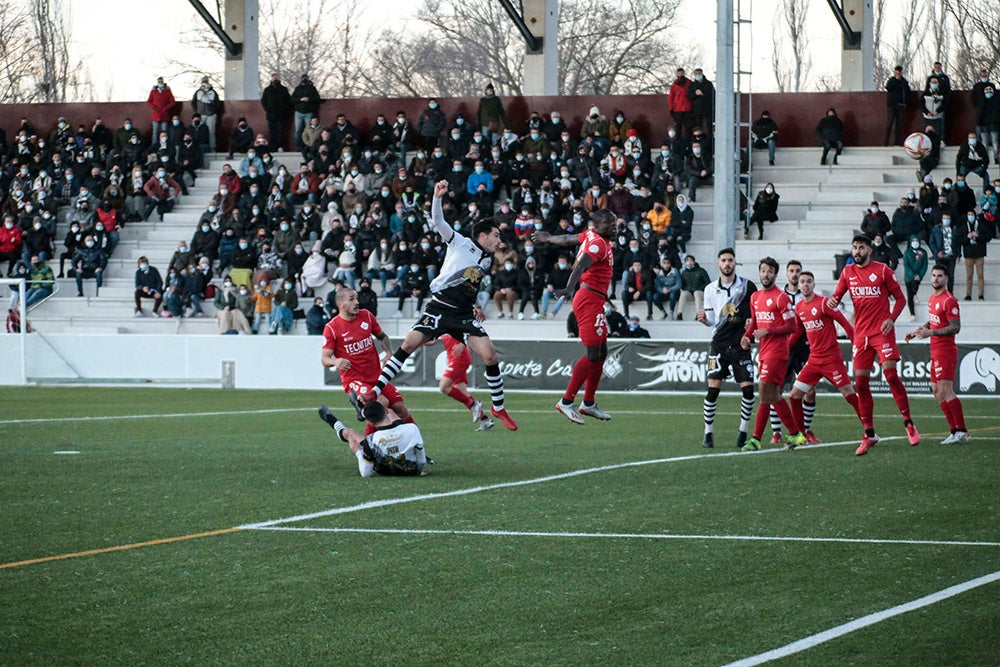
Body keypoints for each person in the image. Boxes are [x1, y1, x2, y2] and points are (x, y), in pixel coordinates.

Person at [360, 181, 518, 431]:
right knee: (408, 345)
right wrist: (436, 197)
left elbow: (470, 283)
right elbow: (438, 222)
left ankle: (497, 407)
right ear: (483, 235)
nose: (499, 240)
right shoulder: (460, 242)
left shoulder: (486, 261)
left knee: (489, 355)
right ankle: (374, 391)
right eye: (496, 235)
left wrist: (476, 304)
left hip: (463, 314)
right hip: (439, 307)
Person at [828, 235, 920, 450]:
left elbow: (900, 298)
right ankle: (869, 433)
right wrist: (833, 300)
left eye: (861, 247)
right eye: (854, 247)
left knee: (890, 375)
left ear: (870, 250)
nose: (857, 251)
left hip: (881, 331)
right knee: (860, 384)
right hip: (861, 334)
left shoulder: (882, 271)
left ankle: (908, 422)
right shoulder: (847, 272)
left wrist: (891, 318)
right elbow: (837, 297)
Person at [533, 209, 616, 425]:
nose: (614, 226)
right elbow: (580, 265)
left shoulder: (590, 235)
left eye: (614, 222)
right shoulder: (598, 244)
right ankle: (566, 401)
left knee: (601, 351)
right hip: (588, 298)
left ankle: (588, 403)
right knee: (592, 353)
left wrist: (549, 237)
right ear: (597, 225)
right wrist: (569, 288)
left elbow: (569, 238)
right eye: (609, 223)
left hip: (595, 299)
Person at [788, 271, 872, 452]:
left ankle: (869, 431)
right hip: (813, 360)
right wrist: (784, 348)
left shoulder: (824, 303)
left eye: (809, 281)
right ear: (799, 285)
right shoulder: (799, 307)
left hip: (831, 359)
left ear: (814, 284)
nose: (805, 285)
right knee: (794, 395)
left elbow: (845, 323)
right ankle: (801, 436)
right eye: (802, 282)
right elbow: (797, 332)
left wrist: (856, 346)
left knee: (849, 394)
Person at [738, 257, 807, 451]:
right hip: (764, 351)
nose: (765, 274)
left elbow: (791, 326)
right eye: (763, 271)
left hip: (777, 352)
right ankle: (795, 434)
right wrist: (746, 336)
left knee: (764, 392)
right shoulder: (755, 297)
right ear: (759, 272)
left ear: (775, 274)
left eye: (769, 271)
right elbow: (755, 324)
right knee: (771, 394)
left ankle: (756, 439)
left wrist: (768, 331)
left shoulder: (780, 297)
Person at [322, 287, 414, 432]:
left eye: (357, 298)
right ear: (341, 304)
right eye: (351, 299)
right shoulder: (332, 328)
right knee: (381, 404)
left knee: (400, 409)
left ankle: (416, 446)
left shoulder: (367, 316)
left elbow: (383, 337)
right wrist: (336, 361)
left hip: (377, 376)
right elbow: (325, 359)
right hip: (354, 380)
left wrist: (388, 351)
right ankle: (370, 448)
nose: (357, 302)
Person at [697, 248, 757, 449]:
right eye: (723, 260)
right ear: (718, 264)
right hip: (719, 344)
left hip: (741, 344)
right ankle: (708, 433)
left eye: (730, 260)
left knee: (748, 390)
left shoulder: (748, 287)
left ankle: (742, 431)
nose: (727, 263)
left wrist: (751, 327)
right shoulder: (710, 289)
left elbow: (756, 315)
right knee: (713, 389)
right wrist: (704, 321)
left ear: (735, 263)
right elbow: (713, 320)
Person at [904, 265, 968, 444]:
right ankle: (954, 430)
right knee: (936, 390)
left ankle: (961, 430)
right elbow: (934, 321)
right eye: (933, 275)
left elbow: (956, 327)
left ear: (946, 279)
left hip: (945, 350)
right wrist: (921, 329)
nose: (935, 279)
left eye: (940, 276)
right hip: (935, 349)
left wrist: (930, 333)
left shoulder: (949, 300)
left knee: (945, 389)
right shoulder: (932, 298)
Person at [318, 402, 428, 477]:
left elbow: (366, 473)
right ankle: (366, 406)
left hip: (384, 469)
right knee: (393, 415)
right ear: (385, 411)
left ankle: (335, 423)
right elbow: (422, 461)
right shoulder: (412, 428)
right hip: (410, 468)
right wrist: (416, 473)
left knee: (351, 433)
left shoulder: (370, 440)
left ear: (369, 422)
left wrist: (358, 451)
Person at [436, 334, 494, 431]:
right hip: (453, 358)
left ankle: (474, 404)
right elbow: (433, 340)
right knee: (462, 394)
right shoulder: (440, 325)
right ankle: (485, 420)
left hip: (459, 358)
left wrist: (462, 344)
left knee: (444, 387)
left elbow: (467, 331)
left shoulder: (452, 320)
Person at [959, 208, 993, 301]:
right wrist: (967, 237)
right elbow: (960, 240)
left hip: (979, 254)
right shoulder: (963, 227)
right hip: (968, 254)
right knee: (969, 275)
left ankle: (981, 294)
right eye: (969, 215)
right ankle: (968, 294)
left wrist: (978, 236)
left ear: (975, 216)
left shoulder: (981, 225)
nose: (970, 216)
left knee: (980, 275)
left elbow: (989, 237)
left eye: (972, 215)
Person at [291, 74, 321, 151]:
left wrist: (309, 99)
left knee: (309, 130)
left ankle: (308, 147)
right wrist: (300, 99)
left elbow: (317, 99)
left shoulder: (312, 89)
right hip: (298, 112)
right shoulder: (297, 89)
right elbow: (292, 99)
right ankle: (298, 147)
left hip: (308, 112)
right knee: (298, 131)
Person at [676, 254, 710, 320]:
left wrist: (699, 288)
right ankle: (679, 314)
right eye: (687, 261)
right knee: (684, 294)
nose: (689, 262)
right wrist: (688, 289)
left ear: (694, 262)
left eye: (691, 260)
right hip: (690, 294)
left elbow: (708, 282)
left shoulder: (701, 271)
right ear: (685, 263)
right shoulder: (684, 272)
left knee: (696, 293)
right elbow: (682, 285)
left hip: (700, 293)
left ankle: (698, 314)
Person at [903, 235, 929, 320]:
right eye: (913, 240)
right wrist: (913, 275)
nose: (915, 242)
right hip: (908, 277)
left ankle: (915, 294)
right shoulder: (907, 252)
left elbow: (925, 265)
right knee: (909, 295)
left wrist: (920, 275)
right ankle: (912, 314)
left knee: (915, 287)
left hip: (918, 276)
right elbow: (906, 265)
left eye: (916, 240)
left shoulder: (923, 252)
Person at [191, 76, 221, 151]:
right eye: (203, 81)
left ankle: (212, 147)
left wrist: (213, 110)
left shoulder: (213, 92)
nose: (204, 82)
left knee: (211, 131)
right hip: (200, 115)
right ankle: (199, 146)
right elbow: (193, 102)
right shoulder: (198, 92)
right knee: (199, 131)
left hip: (210, 115)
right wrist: (197, 112)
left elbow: (218, 103)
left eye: (206, 81)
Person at [884, 66, 911, 146]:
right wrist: (896, 81)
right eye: (897, 71)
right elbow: (888, 87)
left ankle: (897, 142)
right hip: (892, 105)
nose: (898, 73)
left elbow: (907, 91)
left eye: (899, 71)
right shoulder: (892, 80)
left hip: (901, 105)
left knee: (899, 124)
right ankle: (886, 141)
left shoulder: (904, 81)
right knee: (889, 123)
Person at [146, 77, 175, 142]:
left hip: (165, 114)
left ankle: (165, 145)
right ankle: (154, 146)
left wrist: (167, 108)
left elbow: (172, 102)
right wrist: (153, 107)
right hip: (156, 114)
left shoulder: (167, 91)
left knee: (165, 131)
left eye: (161, 82)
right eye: (159, 82)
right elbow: (148, 102)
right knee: (155, 132)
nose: (160, 83)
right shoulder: (153, 91)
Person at [687, 68, 715, 134]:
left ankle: (710, 142)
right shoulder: (692, 85)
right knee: (698, 126)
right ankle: (699, 140)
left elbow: (713, 95)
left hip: (707, 108)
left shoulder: (708, 84)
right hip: (697, 109)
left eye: (699, 74)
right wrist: (695, 94)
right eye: (696, 74)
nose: (698, 75)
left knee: (709, 126)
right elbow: (689, 96)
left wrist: (703, 94)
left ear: (702, 74)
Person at [668, 68, 693, 139]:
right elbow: (671, 97)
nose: (680, 75)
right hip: (678, 110)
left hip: (688, 109)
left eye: (682, 73)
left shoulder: (689, 83)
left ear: (684, 73)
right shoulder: (674, 85)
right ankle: (678, 143)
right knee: (678, 127)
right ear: (676, 74)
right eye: (679, 73)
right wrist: (671, 109)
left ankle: (687, 144)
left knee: (688, 128)